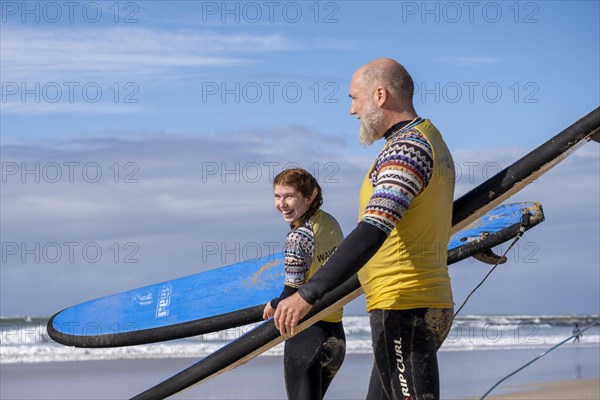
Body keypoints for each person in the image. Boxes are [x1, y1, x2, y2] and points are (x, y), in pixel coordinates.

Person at [273, 58, 456, 400]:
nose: (351, 110)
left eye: (355, 98)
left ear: (380, 95)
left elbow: (374, 228)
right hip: (411, 303)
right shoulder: (426, 139)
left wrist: (307, 295)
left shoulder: (407, 149)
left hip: (405, 307)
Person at [263, 168, 346, 400]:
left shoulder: (298, 237)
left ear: (310, 196)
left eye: (289, 196)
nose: (282, 204)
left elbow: (292, 293)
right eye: (277, 196)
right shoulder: (330, 222)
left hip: (307, 339)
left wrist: (273, 303)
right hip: (336, 338)